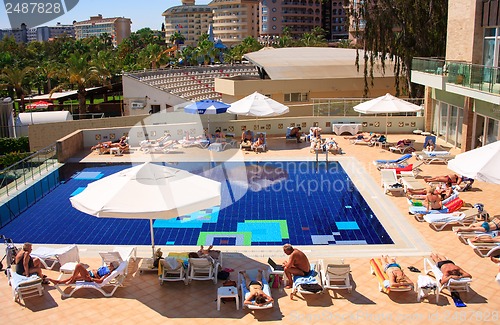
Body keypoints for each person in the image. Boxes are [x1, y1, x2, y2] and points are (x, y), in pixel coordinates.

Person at [49, 261, 119, 285]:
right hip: (89, 273)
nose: (110, 263)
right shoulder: (106, 267)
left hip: (90, 277)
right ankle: (58, 282)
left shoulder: (108, 272)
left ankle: (71, 281)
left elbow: (100, 281)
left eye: (112, 264)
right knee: (74, 276)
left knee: (78, 266)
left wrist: (91, 279)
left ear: (113, 267)